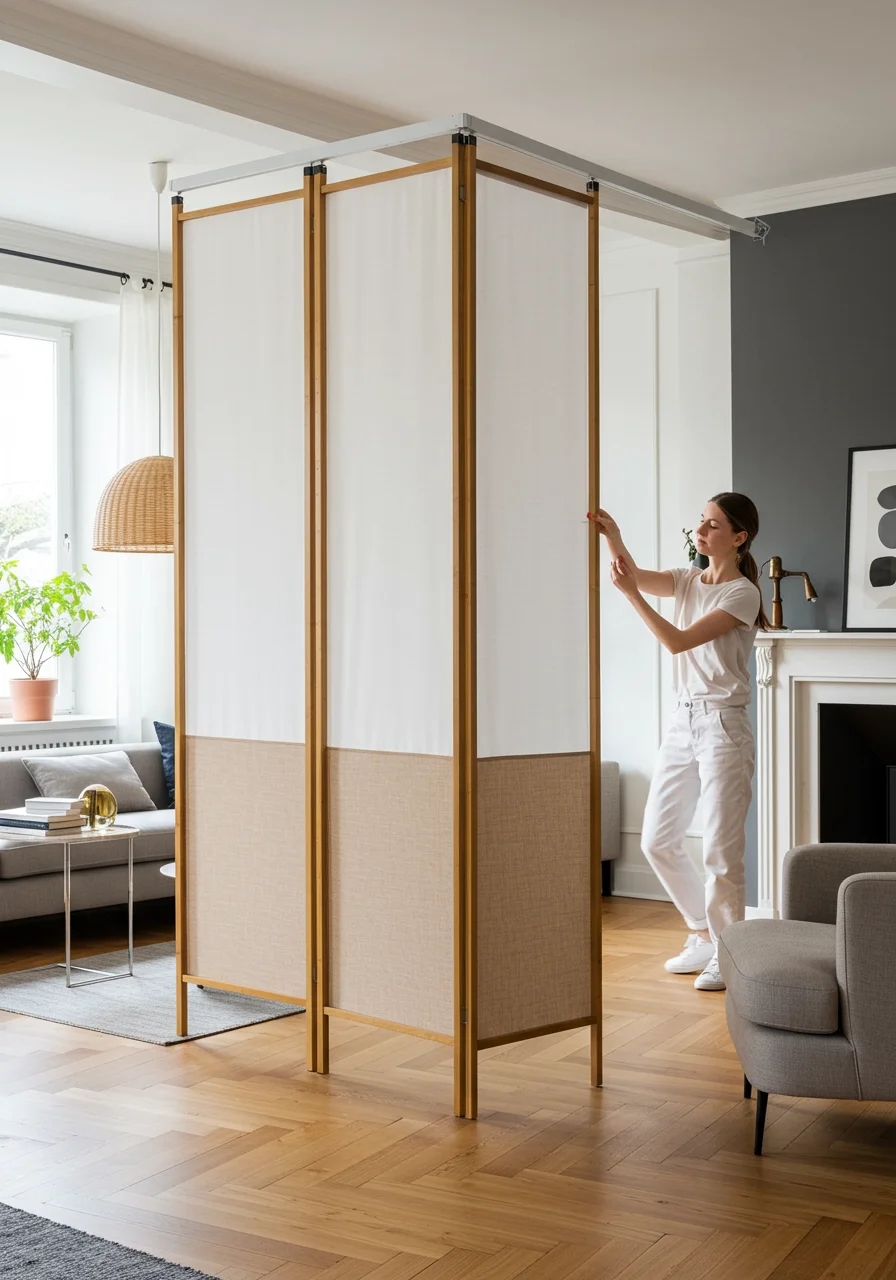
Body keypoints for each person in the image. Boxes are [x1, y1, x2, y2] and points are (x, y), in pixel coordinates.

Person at [590, 494, 768, 991]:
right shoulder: (688, 579)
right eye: (700, 523)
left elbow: (678, 640)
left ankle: (728, 952)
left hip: (724, 727)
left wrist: (631, 596)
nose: (701, 531)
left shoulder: (742, 594)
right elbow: (634, 572)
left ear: (738, 537)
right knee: (656, 840)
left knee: (721, 849)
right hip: (682, 722)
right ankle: (703, 934)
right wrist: (613, 537)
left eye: (713, 525)